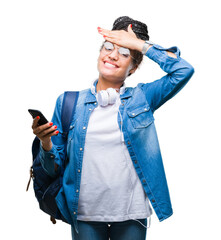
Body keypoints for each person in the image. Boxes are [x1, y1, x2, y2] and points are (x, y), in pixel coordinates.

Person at [31, 16, 194, 240]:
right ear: (99, 52)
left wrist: (141, 45)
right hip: (85, 213)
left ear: (134, 68)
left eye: (125, 53)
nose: (113, 55)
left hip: (131, 214)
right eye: (108, 47)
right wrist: (46, 143)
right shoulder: (69, 102)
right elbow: (53, 169)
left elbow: (183, 71)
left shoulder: (142, 98)